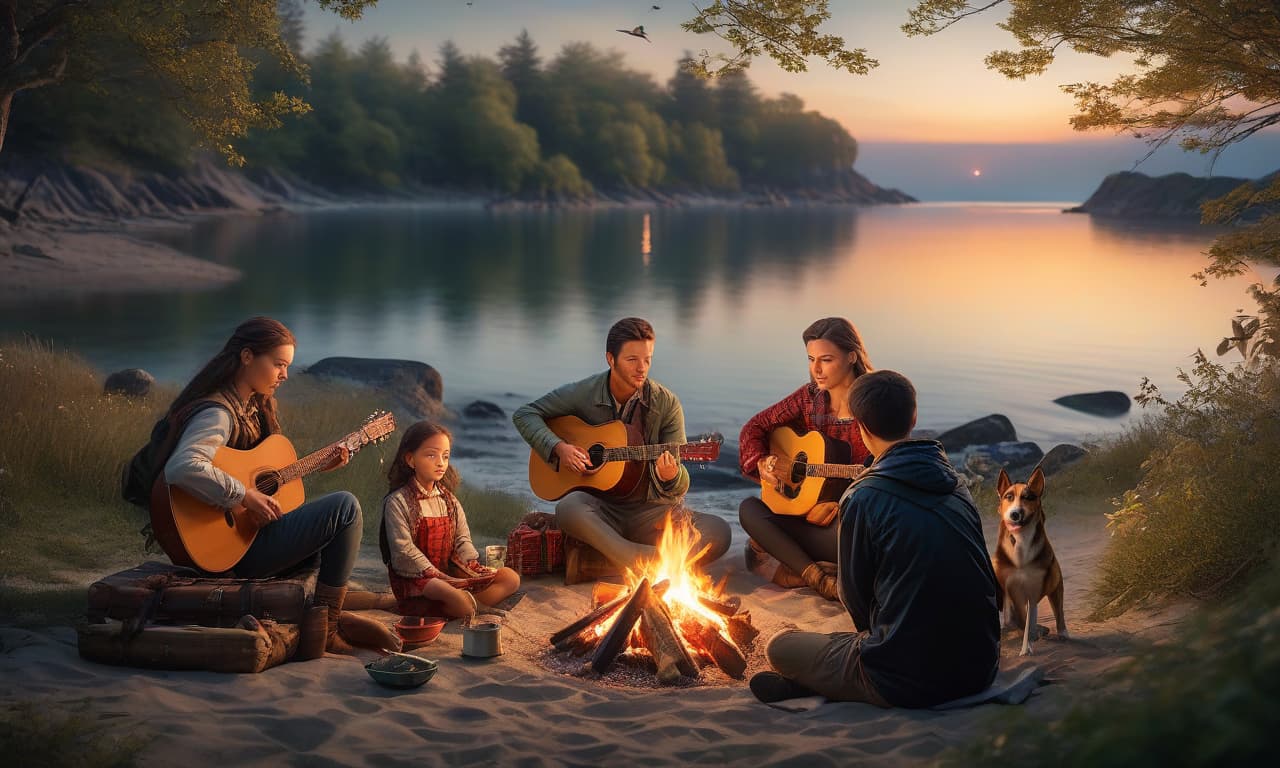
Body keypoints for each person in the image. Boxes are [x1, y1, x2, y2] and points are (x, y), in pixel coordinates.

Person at [750, 370, 1000, 708]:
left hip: (902, 676)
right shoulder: (957, 485)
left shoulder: (864, 495)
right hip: (980, 667)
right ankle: (821, 683)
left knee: (780, 646)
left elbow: (856, 603)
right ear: (914, 417)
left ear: (861, 427)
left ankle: (826, 684)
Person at [162, 316, 400, 655]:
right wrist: (245, 494)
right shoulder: (218, 413)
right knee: (346, 507)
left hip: (241, 541)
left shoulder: (252, 409)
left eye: (286, 366)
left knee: (328, 530)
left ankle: (330, 620)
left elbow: (267, 479)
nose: (285, 374)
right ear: (247, 356)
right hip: (227, 553)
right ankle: (329, 628)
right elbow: (182, 466)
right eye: (279, 364)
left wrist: (321, 465)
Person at [512, 317, 731, 582]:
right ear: (610, 359)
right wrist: (559, 448)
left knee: (718, 531)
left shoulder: (666, 404)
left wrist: (670, 476)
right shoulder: (585, 393)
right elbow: (525, 414)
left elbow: (679, 485)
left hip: (651, 513)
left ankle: (605, 562)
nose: (642, 369)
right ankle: (638, 559)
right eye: (632, 360)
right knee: (568, 508)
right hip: (601, 509)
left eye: (648, 359)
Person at [737, 318, 873, 600]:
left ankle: (799, 566)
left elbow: (886, 470)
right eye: (811, 359)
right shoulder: (809, 398)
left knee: (855, 541)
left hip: (847, 524)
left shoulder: (874, 402)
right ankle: (819, 579)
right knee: (750, 510)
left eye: (826, 359)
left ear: (852, 356)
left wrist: (838, 503)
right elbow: (754, 427)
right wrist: (763, 462)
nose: (816, 370)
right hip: (804, 515)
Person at [380, 421, 521, 618]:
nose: (440, 462)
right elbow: (404, 552)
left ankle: (468, 605)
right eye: (431, 455)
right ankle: (467, 606)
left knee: (510, 578)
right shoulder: (397, 501)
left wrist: (472, 566)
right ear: (411, 459)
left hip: (450, 575)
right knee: (445, 592)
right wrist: (438, 576)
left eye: (445, 456)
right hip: (420, 580)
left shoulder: (449, 500)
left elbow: (462, 541)